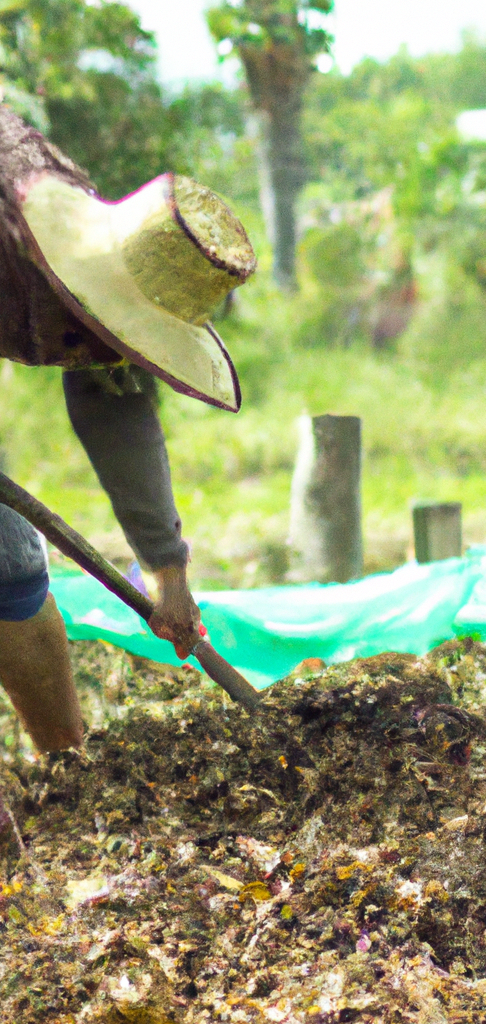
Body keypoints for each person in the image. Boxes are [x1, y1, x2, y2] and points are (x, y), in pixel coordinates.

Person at [0, 106, 254, 753]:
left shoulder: (104, 260)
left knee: (9, 564)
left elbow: (112, 399)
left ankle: (69, 776)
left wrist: (166, 575)